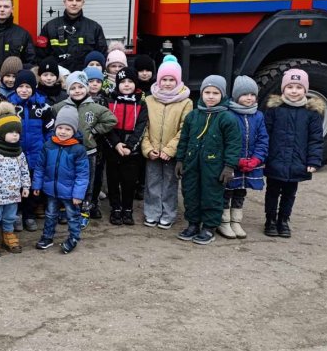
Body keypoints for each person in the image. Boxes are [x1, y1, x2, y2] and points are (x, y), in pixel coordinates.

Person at [175, 75, 242, 245]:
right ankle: (193, 224)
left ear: (222, 95)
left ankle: (209, 227)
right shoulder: (193, 116)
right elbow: (184, 139)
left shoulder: (227, 118)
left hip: (214, 167)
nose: (210, 96)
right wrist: (180, 159)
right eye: (207, 92)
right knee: (190, 193)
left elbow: (233, 144)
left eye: (215, 93)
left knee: (211, 195)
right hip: (192, 164)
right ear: (202, 93)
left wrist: (229, 166)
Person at [263, 68, 324, 238]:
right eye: (290, 87)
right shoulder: (274, 110)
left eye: (298, 87)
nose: (294, 91)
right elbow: (265, 135)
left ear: (305, 90)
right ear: (283, 89)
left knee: (290, 193)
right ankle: (270, 220)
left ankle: (284, 220)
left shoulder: (311, 113)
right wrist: (262, 157)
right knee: (272, 191)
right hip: (276, 159)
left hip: (297, 161)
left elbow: (315, 138)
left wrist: (313, 160)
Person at [52, 71, 116, 219]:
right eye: (73, 88)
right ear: (68, 90)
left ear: (86, 88)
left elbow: (111, 120)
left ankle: (85, 207)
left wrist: (94, 131)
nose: (77, 91)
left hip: (88, 151)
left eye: (80, 87)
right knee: (67, 180)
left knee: (87, 181)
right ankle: (66, 208)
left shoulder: (95, 107)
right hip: (67, 151)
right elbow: (52, 121)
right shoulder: (59, 107)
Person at [141, 59, 192, 229]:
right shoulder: (149, 100)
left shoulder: (186, 102)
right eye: (164, 79)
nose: (168, 83)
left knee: (170, 183)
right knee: (152, 182)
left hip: (171, 152)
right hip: (153, 151)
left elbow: (184, 128)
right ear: (158, 80)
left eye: (172, 80)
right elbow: (144, 127)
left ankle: (168, 214)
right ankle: (152, 212)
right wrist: (148, 149)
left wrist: (170, 149)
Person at [32, 106, 90, 254]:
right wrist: (37, 184)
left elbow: (83, 174)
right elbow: (40, 167)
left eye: (68, 129)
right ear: (56, 127)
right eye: (60, 128)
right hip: (51, 190)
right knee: (50, 214)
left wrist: (78, 194)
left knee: (72, 216)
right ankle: (47, 237)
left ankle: (73, 238)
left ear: (74, 131)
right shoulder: (48, 145)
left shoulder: (78, 149)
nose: (63, 132)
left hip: (70, 193)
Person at [220, 76, 269, 239]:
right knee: (227, 191)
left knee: (241, 191)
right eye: (245, 94)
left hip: (251, 163)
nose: (249, 98)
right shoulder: (228, 114)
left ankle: (236, 221)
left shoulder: (259, 116)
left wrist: (257, 159)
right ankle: (224, 221)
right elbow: (223, 141)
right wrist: (234, 160)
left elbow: (263, 139)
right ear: (236, 96)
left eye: (252, 95)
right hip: (233, 163)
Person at [102, 68, 149, 226]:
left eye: (130, 81)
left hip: (132, 150)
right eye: (122, 82)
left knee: (129, 181)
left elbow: (141, 127)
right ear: (117, 84)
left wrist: (130, 146)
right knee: (113, 180)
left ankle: (127, 209)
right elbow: (106, 126)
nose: (127, 85)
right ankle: (115, 208)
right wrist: (116, 144)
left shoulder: (141, 104)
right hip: (113, 148)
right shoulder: (109, 101)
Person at [8, 69, 53, 232]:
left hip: (36, 153)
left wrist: (46, 147)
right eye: (21, 86)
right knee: (16, 185)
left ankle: (29, 215)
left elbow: (49, 130)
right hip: (15, 154)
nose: (24, 90)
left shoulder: (43, 106)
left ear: (33, 87)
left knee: (34, 186)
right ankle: (17, 215)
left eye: (28, 86)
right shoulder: (9, 105)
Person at [0, 103, 31, 256]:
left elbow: (24, 169)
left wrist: (26, 186)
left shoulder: (18, 152)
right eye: (10, 132)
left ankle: (8, 235)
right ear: (1, 132)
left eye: (17, 132)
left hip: (13, 192)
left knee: (10, 216)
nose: (15, 135)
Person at [37, 0, 108, 69]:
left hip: (86, 78)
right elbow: (40, 57)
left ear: (83, 3)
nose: (74, 3)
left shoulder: (95, 28)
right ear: (64, 2)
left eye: (78, 0)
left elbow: (102, 57)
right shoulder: (49, 27)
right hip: (58, 79)